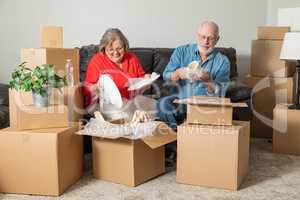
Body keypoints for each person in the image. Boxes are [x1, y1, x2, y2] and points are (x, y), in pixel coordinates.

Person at [156, 21, 231, 130]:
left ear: (217, 39)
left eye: (211, 38)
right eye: (203, 37)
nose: (206, 41)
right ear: (197, 36)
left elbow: (221, 92)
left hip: (204, 106)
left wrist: (209, 81)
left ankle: (183, 139)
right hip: (180, 103)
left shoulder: (223, 61)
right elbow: (166, 75)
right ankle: (176, 138)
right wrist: (177, 74)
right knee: (162, 103)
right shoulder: (181, 51)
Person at [83, 28, 150, 111]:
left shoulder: (132, 58)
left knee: (155, 107)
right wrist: (93, 89)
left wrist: (147, 81)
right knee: (104, 79)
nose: (116, 53)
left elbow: (142, 78)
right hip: (108, 106)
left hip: (131, 102)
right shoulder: (96, 60)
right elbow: (86, 88)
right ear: (104, 48)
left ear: (125, 46)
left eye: (119, 48)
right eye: (111, 49)